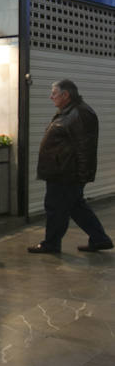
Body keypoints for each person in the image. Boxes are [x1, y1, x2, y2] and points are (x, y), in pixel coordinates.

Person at [28, 80, 113, 254]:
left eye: (54, 93)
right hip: (64, 171)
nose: (51, 97)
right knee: (76, 207)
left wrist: (81, 175)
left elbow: (85, 147)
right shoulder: (69, 112)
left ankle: (51, 243)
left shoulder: (80, 113)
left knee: (55, 208)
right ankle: (100, 239)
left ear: (66, 95)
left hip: (66, 173)